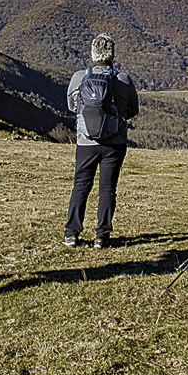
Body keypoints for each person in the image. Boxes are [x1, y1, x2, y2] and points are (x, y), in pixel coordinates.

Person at [64, 33, 139, 249]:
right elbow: (132, 110)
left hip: (86, 141)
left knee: (81, 184)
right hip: (114, 143)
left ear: (92, 53)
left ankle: (72, 233)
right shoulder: (123, 79)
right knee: (107, 188)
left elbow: (72, 106)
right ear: (112, 54)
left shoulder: (79, 77)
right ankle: (102, 235)